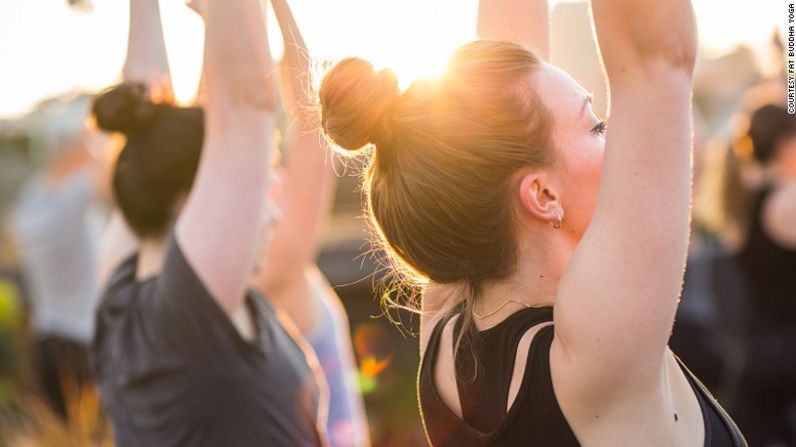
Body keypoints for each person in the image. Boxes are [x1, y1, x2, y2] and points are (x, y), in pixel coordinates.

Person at [318, 0, 747, 445]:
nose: (618, 137)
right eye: (596, 126)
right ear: (542, 196)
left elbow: (491, 100)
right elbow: (654, 59)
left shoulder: (446, 316)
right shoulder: (598, 353)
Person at [91, 0, 327, 445]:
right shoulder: (185, 315)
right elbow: (244, 104)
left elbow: (145, 111)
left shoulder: (119, 294)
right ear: (191, 204)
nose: (273, 212)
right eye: (259, 191)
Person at [252, 1, 370, 446]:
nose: (280, 172)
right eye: (269, 164)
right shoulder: (278, 262)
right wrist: (278, 8)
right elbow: (310, 122)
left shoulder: (215, 272)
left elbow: (213, 121)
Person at [11, 95, 103, 419]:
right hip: (83, 343)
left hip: (44, 338)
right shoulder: (74, 195)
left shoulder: (31, 198)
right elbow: (108, 174)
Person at [711, 98, 796, 446]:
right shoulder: (788, 199)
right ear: (785, 144)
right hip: (787, 352)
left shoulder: (745, 197)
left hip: (759, 352)